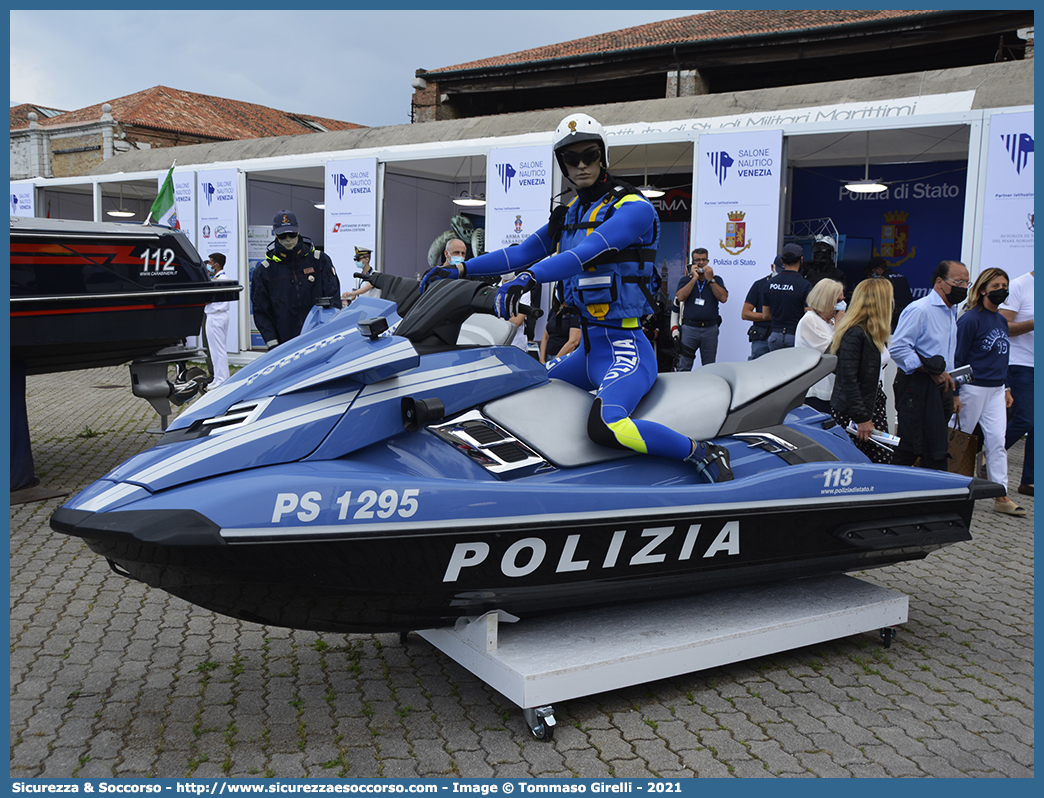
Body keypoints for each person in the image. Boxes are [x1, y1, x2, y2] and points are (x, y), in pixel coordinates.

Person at [419, 112, 731, 481]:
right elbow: (519, 252)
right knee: (514, 383)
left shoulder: (634, 208)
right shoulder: (568, 213)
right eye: (571, 158)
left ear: (603, 157)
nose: (581, 165)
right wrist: (458, 270)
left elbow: (587, 251)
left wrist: (528, 278)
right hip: (585, 351)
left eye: (589, 155)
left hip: (626, 348)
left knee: (606, 426)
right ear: (562, 164)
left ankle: (701, 452)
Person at [953, 268, 1025, 516]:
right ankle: (947, 487)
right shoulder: (970, 319)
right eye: (996, 286)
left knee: (997, 442)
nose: (1002, 291)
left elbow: (1002, 355)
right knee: (958, 439)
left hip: (995, 390)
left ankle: (1000, 494)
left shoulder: (1001, 320)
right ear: (983, 289)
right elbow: (958, 357)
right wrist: (956, 393)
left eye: (1004, 286)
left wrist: (1005, 386)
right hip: (972, 388)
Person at [889, 259, 968, 470]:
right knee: (912, 444)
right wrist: (930, 370)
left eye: (967, 283)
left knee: (934, 444)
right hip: (917, 385)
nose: (964, 288)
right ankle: (891, 490)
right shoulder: (920, 310)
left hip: (941, 386)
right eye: (958, 282)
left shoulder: (951, 311)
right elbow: (898, 348)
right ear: (940, 282)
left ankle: (927, 493)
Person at [250, 210, 341, 350]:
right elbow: (261, 312)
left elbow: (333, 299)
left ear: (298, 231)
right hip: (285, 343)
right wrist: (272, 344)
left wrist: (331, 333)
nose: (288, 239)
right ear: (274, 232)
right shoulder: (264, 271)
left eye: (291, 234)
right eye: (282, 235)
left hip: (319, 338)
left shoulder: (319, 261)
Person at [829, 278, 894, 464]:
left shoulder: (874, 333)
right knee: (866, 461)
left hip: (872, 404)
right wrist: (862, 418)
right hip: (856, 411)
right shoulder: (855, 333)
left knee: (880, 459)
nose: (892, 303)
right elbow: (848, 378)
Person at [1000, 269, 1033, 497]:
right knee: (1026, 418)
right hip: (1021, 364)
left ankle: (1029, 481)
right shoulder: (1021, 285)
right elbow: (1004, 326)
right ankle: (989, 455)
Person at [794, 278, 846, 414]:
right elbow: (832, 349)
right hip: (816, 390)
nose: (843, 302)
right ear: (828, 300)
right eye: (839, 300)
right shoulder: (810, 320)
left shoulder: (831, 321)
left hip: (833, 388)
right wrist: (840, 322)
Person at [672, 248, 728, 370]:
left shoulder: (716, 279)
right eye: (697, 260)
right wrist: (694, 278)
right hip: (690, 329)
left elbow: (723, 298)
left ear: (708, 261)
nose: (701, 263)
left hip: (710, 329)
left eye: (703, 260)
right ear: (693, 262)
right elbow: (680, 297)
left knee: (709, 365)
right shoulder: (685, 280)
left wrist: (711, 279)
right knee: (685, 364)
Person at [763, 243, 812, 350]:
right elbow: (809, 314)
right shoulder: (804, 285)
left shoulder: (770, 283)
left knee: (775, 366)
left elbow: (765, 315)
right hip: (795, 336)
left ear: (782, 261)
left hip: (775, 335)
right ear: (801, 259)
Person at [862, 256, 913, 330]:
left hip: (892, 319)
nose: (872, 276)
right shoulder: (901, 277)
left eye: (872, 273)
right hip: (907, 317)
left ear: (878, 270)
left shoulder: (883, 281)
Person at [204, 253, 231, 388]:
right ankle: (218, 377)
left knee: (218, 350)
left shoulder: (220, 279)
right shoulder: (217, 278)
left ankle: (222, 379)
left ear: (216, 264)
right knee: (215, 350)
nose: (209, 265)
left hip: (216, 316)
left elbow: (208, 298)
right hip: (217, 316)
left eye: (210, 262)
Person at [741, 256, 777, 360]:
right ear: (772, 267)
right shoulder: (760, 285)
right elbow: (745, 313)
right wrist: (768, 316)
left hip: (781, 335)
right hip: (762, 336)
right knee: (756, 369)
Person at [539, 290, 581, 363]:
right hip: (548, 358)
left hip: (564, 359)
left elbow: (574, 341)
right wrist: (542, 359)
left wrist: (555, 361)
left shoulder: (574, 312)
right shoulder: (554, 310)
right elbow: (546, 336)